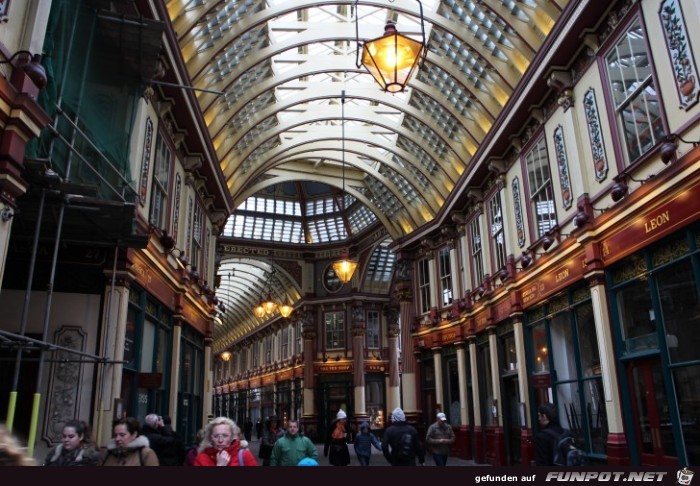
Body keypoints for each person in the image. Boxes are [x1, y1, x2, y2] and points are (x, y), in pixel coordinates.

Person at [193, 416, 257, 466]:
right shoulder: (202, 458)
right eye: (216, 436)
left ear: (232, 437)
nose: (220, 440)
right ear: (210, 438)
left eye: (225, 435)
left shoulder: (244, 456)